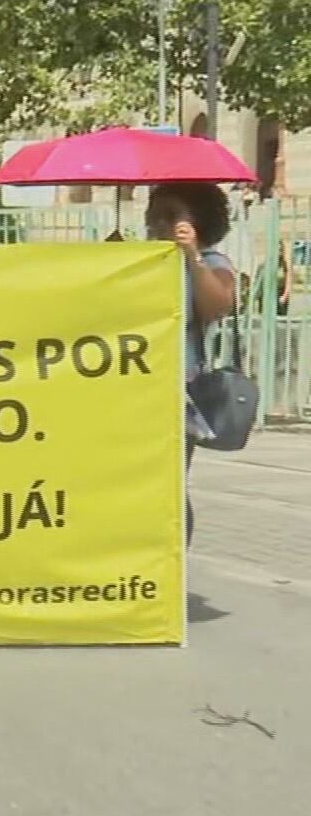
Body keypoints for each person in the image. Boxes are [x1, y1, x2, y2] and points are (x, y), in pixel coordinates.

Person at [147, 183, 237, 546]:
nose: (158, 223)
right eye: (154, 213)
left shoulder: (212, 264)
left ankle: (171, 565)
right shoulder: (142, 259)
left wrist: (192, 258)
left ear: (197, 222)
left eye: (171, 215)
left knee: (167, 486)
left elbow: (216, 305)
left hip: (175, 392)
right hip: (130, 387)